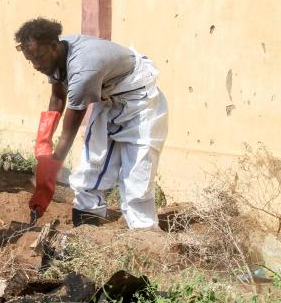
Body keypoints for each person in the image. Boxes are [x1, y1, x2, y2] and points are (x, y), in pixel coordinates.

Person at [15, 18, 168, 230]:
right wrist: (43, 142)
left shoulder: (83, 70)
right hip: (107, 96)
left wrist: (48, 173)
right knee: (91, 165)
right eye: (31, 60)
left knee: (136, 175)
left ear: (53, 46)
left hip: (139, 99)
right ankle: (87, 228)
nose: (36, 65)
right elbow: (58, 98)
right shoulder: (54, 52)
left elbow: (68, 134)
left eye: (39, 58)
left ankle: (144, 235)